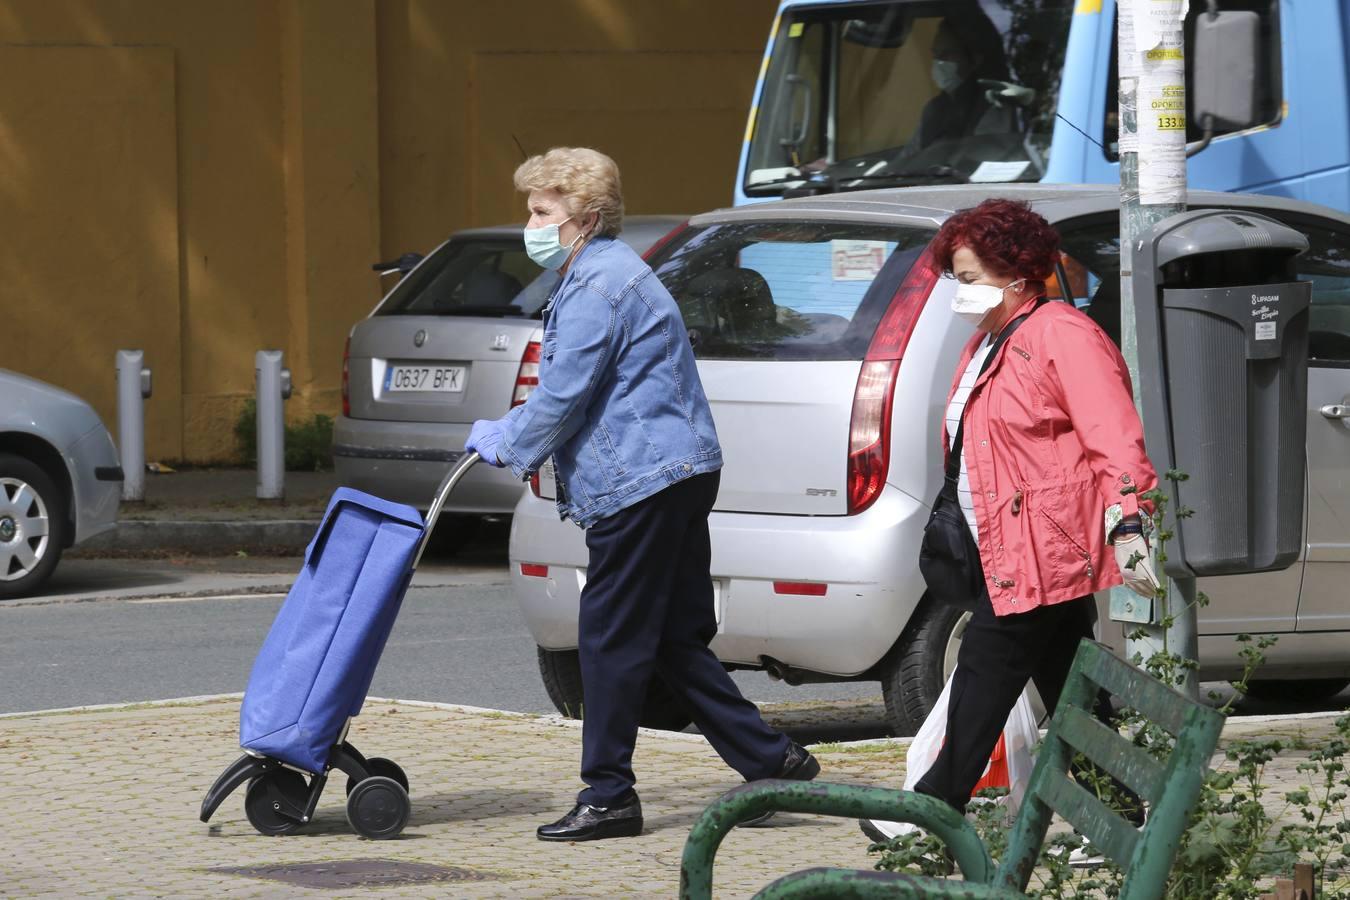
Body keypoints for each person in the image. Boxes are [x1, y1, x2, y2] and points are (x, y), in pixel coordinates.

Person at [464, 147, 819, 842]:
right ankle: (770, 759)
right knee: (668, 637)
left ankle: (609, 796)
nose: (530, 224)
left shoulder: (597, 285)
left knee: (609, 637)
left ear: (586, 218)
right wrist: (510, 430)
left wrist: (507, 440)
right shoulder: (608, 272)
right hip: (673, 474)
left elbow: (566, 393)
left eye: (542, 212)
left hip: (639, 482)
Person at [862, 198, 1159, 839]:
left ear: (1017, 277)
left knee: (982, 681)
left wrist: (1131, 520)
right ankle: (1128, 816)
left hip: (1039, 547)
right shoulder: (995, 336)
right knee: (1071, 687)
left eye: (967, 278)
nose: (956, 292)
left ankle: (932, 812)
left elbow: (1116, 437)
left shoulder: (1062, 335)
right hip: (1006, 542)